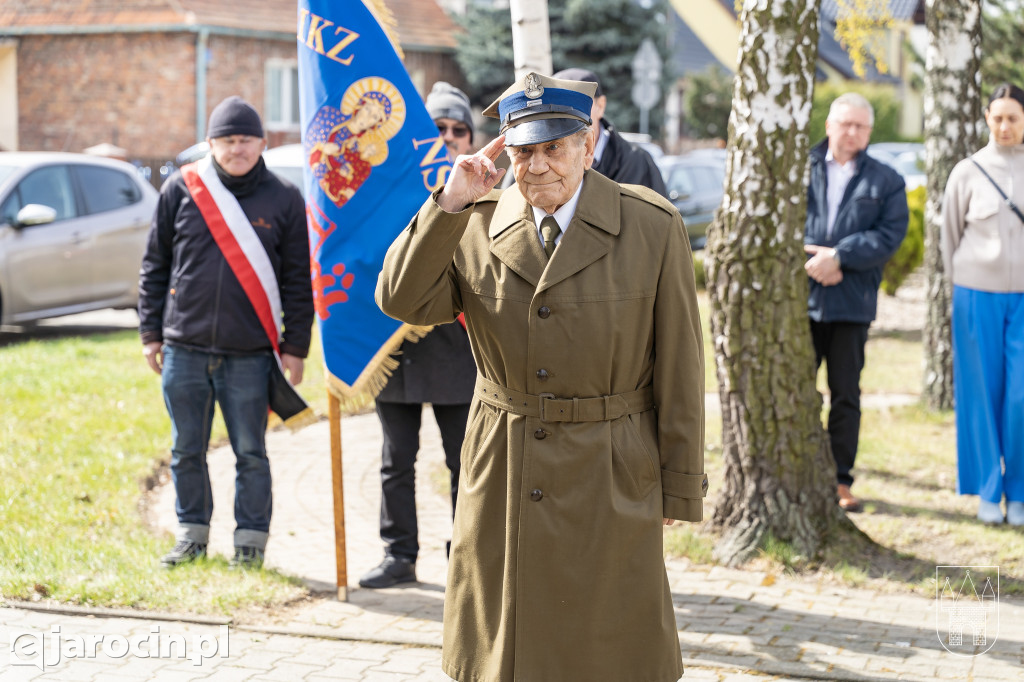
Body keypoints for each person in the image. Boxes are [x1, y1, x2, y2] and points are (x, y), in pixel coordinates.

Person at [377, 72, 706, 682]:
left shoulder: (651, 226)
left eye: (554, 147)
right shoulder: (473, 221)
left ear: (587, 143)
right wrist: (449, 204)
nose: (539, 166)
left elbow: (682, 365)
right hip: (505, 463)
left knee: (607, 647)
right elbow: (400, 298)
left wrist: (679, 482)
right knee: (507, 647)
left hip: (612, 465)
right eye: (524, 150)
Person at [139, 96, 314, 569]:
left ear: (262, 142)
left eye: (245, 140)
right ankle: (191, 537)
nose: (237, 149)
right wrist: (151, 334)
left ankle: (250, 546)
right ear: (211, 143)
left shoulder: (284, 198)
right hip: (184, 348)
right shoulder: (180, 189)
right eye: (227, 140)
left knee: (251, 454)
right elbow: (155, 266)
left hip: (251, 354)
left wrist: (295, 346)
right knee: (185, 451)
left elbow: (300, 279)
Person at [358, 82, 478, 589]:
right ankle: (398, 554)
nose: (447, 138)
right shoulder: (387, 186)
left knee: (464, 462)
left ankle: (467, 556)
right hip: (396, 347)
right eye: (437, 129)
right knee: (395, 461)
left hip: (457, 344)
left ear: (471, 138)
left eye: (458, 130)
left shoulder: (485, 190)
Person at [804, 92, 908, 513]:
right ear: (829, 125)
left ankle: (840, 480)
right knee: (796, 391)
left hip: (851, 302)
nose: (852, 132)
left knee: (846, 394)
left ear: (869, 131)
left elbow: (890, 234)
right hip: (801, 299)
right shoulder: (799, 168)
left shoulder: (886, 180)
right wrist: (816, 262)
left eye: (861, 126)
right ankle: (801, 472)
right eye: (845, 124)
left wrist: (841, 257)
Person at [941, 83, 1024, 525]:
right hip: (976, 295)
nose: (1006, 126)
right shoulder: (967, 172)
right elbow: (949, 236)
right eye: (998, 117)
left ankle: (1021, 493)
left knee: (1021, 396)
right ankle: (988, 492)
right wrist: (962, 285)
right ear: (987, 119)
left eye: (1014, 117)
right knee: (981, 394)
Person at [552, 67, 668, 197]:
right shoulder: (545, 164)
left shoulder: (637, 163)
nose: (568, 116)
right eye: (557, 109)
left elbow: (658, 215)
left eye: (578, 106)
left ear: (600, 106)